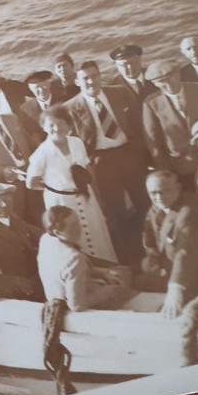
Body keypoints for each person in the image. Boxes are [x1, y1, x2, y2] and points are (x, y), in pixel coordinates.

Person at [65, 60, 150, 263]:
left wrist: (143, 153)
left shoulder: (119, 92)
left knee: (144, 201)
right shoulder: (70, 108)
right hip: (100, 162)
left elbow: (139, 124)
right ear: (77, 82)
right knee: (115, 211)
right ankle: (132, 257)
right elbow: (73, 143)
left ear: (100, 76)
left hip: (129, 153)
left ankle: (155, 246)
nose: (91, 81)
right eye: (85, 78)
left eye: (94, 76)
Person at [136, 170, 198, 318]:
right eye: (153, 193)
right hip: (182, 272)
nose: (159, 197)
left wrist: (175, 289)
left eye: (165, 191)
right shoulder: (156, 208)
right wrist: (154, 264)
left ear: (178, 188)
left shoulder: (188, 213)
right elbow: (150, 241)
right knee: (137, 280)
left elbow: (185, 252)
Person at [26, 105, 117, 261]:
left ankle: (108, 266)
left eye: (61, 123)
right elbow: (31, 182)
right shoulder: (42, 153)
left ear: (68, 124)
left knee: (96, 233)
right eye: (51, 125)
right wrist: (54, 189)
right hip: (61, 203)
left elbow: (87, 170)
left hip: (85, 197)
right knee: (74, 237)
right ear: (44, 127)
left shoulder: (76, 143)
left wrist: (97, 196)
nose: (57, 128)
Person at [37, 205, 129, 313]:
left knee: (121, 275)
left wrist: (102, 273)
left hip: (55, 297)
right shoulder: (74, 258)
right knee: (125, 280)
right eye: (73, 226)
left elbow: (65, 272)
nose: (79, 228)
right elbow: (76, 305)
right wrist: (105, 293)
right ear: (58, 232)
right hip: (71, 310)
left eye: (78, 222)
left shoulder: (46, 239)